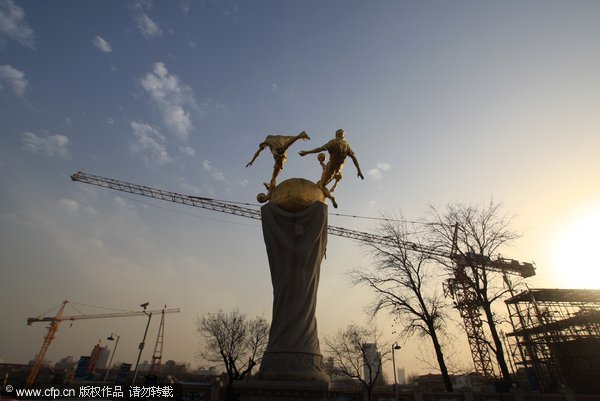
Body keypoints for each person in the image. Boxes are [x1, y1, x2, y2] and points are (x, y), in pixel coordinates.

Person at [298, 129, 363, 208]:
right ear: (343, 135)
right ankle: (331, 194)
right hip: (338, 170)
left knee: (321, 184)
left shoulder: (333, 142)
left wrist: (307, 152)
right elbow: (354, 158)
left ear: (336, 135)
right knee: (324, 181)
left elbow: (320, 149)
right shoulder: (346, 145)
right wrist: (359, 170)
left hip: (331, 167)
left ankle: (331, 198)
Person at [246, 131, 310, 191]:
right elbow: (291, 138)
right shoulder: (281, 137)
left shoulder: (267, 140)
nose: (265, 148)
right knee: (275, 173)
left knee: (276, 168)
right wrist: (300, 137)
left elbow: (258, 152)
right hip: (282, 154)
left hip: (278, 153)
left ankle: (272, 185)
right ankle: (271, 185)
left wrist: (252, 161)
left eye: (265, 147)